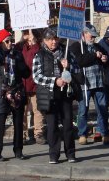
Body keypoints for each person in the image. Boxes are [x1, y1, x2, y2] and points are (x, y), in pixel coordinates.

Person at [0, 30, 31, 161]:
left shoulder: (17, 55)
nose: (10, 43)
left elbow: (27, 74)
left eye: (11, 41)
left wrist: (21, 66)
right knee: (0, 122)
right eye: (7, 41)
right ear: (1, 42)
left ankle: (18, 150)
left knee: (18, 121)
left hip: (17, 91)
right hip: (2, 93)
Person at [33, 30, 78, 164]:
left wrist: (69, 66)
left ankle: (70, 153)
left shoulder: (66, 51)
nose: (54, 42)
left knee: (68, 124)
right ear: (45, 41)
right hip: (50, 95)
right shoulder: (39, 55)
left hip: (65, 94)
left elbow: (77, 68)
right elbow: (36, 76)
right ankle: (54, 155)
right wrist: (54, 81)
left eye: (56, 39)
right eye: (51, 39)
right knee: (52, 127)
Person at [69, 27, 109, 145]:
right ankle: (82, 134)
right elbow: (80, 61)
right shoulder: (77, 46)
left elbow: (107, 63)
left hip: (98, 83)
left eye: (94, 36)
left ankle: (104, 133)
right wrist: (95, 56)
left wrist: (105, 59)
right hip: (84, 84)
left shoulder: (98, 47)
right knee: (83, 111)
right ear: (84, 34)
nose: (93, 38)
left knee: (102, 109)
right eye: (91, 36)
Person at [18, 29, 46, 145]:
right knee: (22, 111)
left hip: (35, 83)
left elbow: (38, 57)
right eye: (25, 33)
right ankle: (22, 134)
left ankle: (38, 133)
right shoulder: (19, 47)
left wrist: (34, 44)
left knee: (38, 110)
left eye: (29, 33)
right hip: (22, 83)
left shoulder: (39, 47)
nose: (27, 36)